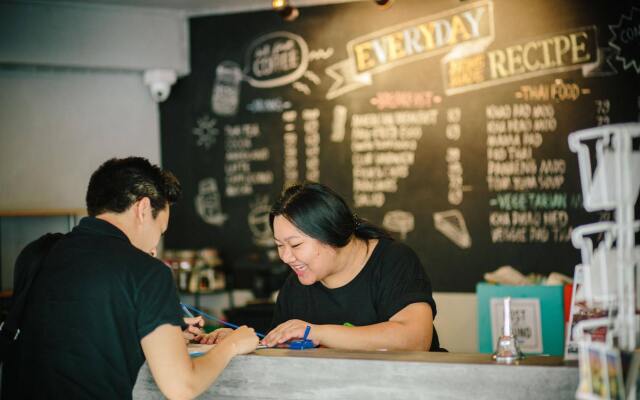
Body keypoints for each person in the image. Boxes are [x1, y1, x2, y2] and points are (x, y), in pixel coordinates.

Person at [3, 157, 258, 399]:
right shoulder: (147, 271)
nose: (155, 245)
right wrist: (233, 344)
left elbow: (73, 330)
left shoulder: (38, 253)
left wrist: (153, 325)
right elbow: (181, 387)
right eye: (160, 230)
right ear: (143, 208)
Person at [262, 182, 441, 351]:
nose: (285, 257)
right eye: (279, 245)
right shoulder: (295, 286)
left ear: (330, 233)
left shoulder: (393, 260)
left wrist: (317, 333)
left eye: (295, 245)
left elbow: (417, 340)